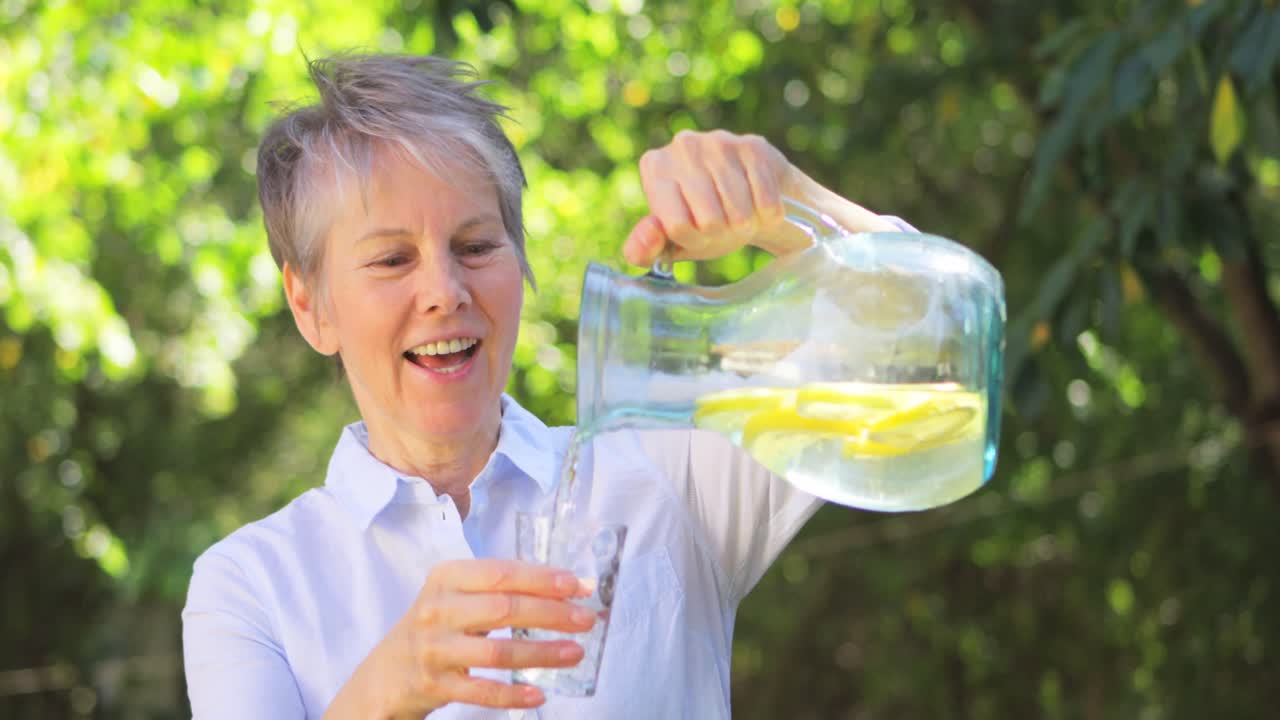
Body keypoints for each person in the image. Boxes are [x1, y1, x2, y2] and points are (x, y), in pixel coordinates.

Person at [181, 53, 915, 719]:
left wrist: (788, 205)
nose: (444, 290)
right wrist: (388, 690)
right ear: (310, 306)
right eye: (391, 260)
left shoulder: (663, 473)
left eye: (475, 246)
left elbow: (924, 353)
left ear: (521, 264)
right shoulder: (251, 586)